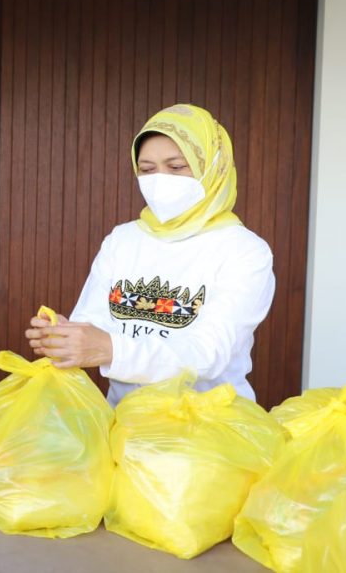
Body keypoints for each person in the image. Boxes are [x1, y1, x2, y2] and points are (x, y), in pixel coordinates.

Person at [26, 104, 275, 406]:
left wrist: (111, 349)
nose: (160, 179)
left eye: (177, 167)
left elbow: (209, 354)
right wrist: (65, 335)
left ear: (213, 167)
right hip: (126, 426)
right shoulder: (124, 239)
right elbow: (93, 323)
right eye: (147, 169)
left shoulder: (244, 250)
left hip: (210, 432)